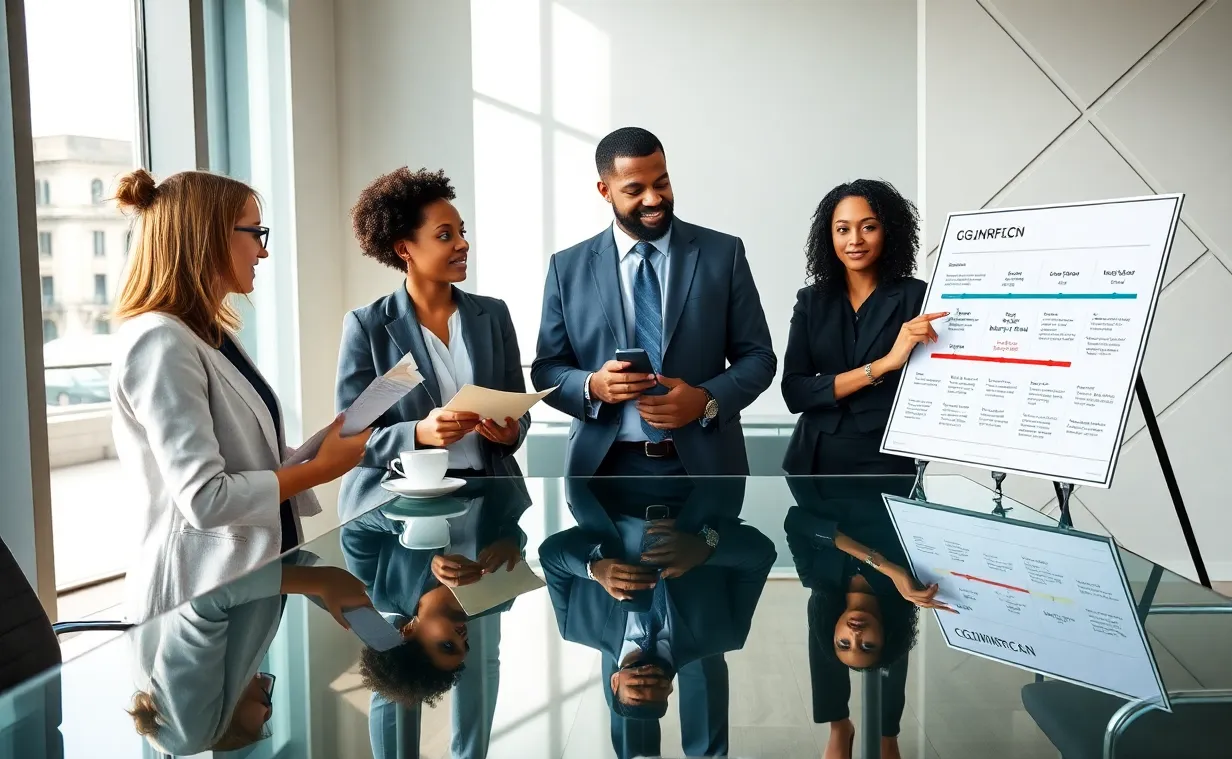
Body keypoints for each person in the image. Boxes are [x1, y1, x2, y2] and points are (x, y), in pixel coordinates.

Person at [110, 169, 371, 622]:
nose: (263, 250)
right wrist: (320, 471)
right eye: (255, 233)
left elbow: (246, 460)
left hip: (244, 583)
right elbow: (206, 499)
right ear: (208, 236)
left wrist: (317, 448)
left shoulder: (209, 334)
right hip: (191, 598)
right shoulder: (159, 342)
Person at [532, 127, 776, 477]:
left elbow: (759, 357)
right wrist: (592, 386)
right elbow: (547, 369)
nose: (653, 199)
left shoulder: (723, 254)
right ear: (605, 190)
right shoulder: (566, 267)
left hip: (707, 466)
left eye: (661, 183)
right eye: (635, 189)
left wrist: (705, 400)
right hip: (602, 470)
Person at [539, 476, 775, 759]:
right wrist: (706, 547)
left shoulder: (578, 626)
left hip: (615, 486)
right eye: (657, 687)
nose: (648, 678)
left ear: (614, 682)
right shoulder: (723, 634)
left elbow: (550, 555)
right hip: (693, 490)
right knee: (697, 675)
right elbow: (760, 554)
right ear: (669, 689)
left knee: (639, 717)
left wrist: (592, 567)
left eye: (638, 685)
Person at [337, 168, 529, 522]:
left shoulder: (493, 314)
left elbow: (518, 408)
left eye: (462, 232)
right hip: (402, 508)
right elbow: (351, 439)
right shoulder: (369, 327)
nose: (463, 243)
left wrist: (511, 431)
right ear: (404, 249)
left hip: (491, 500)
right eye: (445, 235)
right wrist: (418, 433)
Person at [341, 478, 532, 759]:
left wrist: (415, 528)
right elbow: (511, 529)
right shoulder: (495, 595)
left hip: (419, 476)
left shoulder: (375, 584)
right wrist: (512, 542)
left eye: (447, 644)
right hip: (483, 476)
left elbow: (354, 524)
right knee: (428, 679)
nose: (462, 636)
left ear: (407, 630)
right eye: (463, 644)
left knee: (398, 680)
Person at [781, 179, 948, 476]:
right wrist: (883, 365)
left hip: (886, 457)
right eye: (843, 229)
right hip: (813, 459)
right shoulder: (811, 301)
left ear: (889, 231)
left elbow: (933, 388)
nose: (854, 239)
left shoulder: (917, 297)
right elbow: (794, 392)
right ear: (829, 237)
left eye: (869, 227)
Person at [786, 478, 955, 759]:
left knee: (820, 610)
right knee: (897, 621)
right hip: (887, 476)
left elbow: (796, 521)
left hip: (824, 472)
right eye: (866, 644)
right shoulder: (906, 585)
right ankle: (877, 733)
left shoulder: (818, 578)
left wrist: (886, 567)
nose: (855, 633)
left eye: (846, 642)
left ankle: (847, 728)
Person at [129, 556, 373, 755]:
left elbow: (203, 595)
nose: (262, 680)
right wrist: (368, 620)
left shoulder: (186, 733)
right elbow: (286, 563)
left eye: (266, 701)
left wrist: (318, 581)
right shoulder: (236, 655)